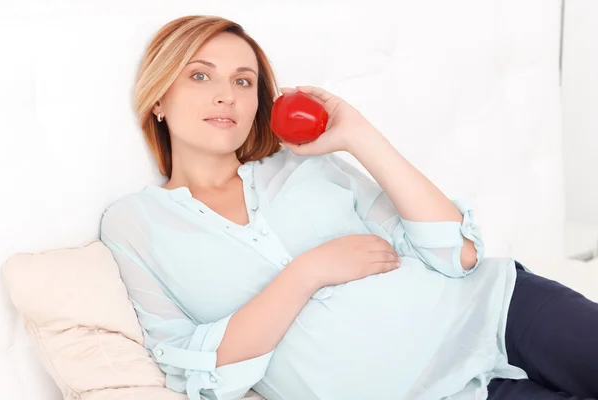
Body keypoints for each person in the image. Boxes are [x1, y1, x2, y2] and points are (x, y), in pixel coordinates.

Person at [99, 15, 598, 400]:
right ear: (159, 98)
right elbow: (198, 370)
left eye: (243, 81)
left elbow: (459, 254)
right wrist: (308, 271)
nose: (226, 95)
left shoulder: (307, 168)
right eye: (200, 77)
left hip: (501, 312)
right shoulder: (134, 225)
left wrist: (358, 135)